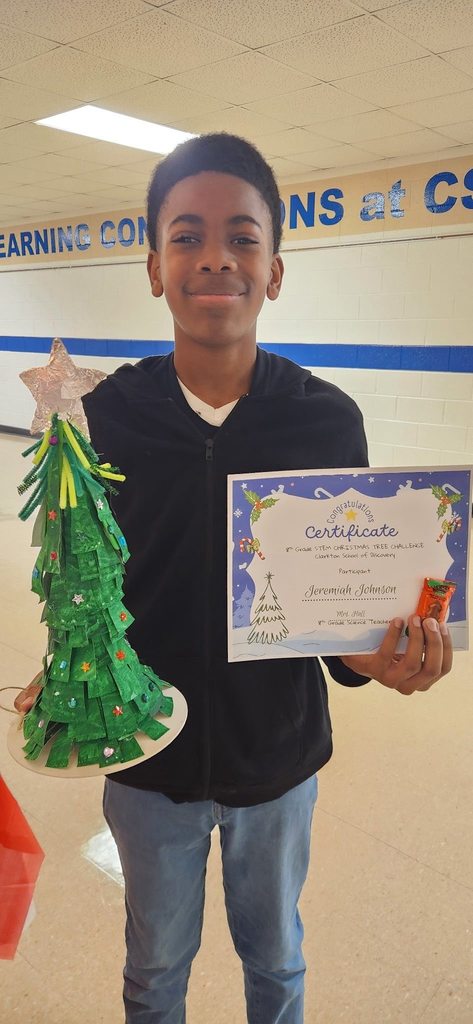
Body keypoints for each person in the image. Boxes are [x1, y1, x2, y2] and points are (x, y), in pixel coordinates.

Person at [16, 133, 453, 1024]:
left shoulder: (324, 421)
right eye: (187, 235)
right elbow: (84, 575)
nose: (216, 255)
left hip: (277, 761)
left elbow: (341, 615)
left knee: (277, 962)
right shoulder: (106, 417)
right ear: (153, 267)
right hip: (144, 762)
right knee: (154, 969)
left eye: (242, 237)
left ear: (276, 270)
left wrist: (379, 658)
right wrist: (66, 667)